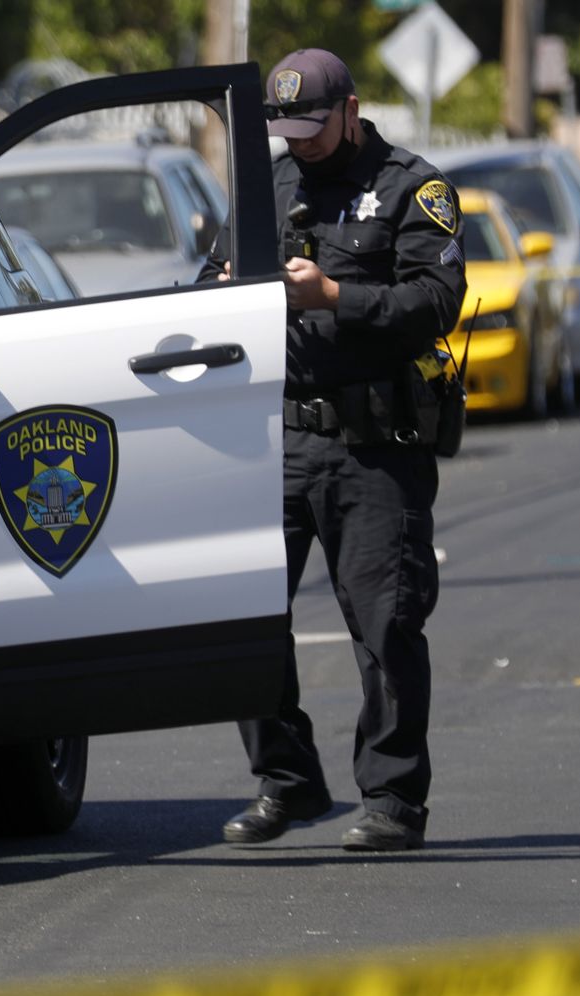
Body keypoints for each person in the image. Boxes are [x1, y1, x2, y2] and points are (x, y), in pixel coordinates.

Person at [208, 48, 467, 851]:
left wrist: (332, 296)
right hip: (279, 437)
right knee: (243, 617)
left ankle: (393, 800)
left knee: (387, 625)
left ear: (351, 110)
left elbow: (437, 300)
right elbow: (209, 277)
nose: (302, 143)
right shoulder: (270, 184)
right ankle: (287, 779)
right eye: (288, 131)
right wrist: (225, 288)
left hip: (375, 445)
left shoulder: (412, 188)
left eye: (315, 128)